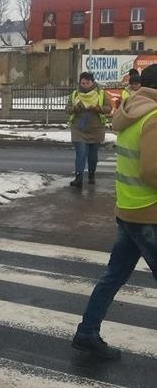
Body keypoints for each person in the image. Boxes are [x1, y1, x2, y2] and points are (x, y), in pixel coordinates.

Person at [72, 64, 157, 360]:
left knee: (114, 276)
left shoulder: (134, 111)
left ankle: (86, 332)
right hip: (149, 214)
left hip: (130, 210)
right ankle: (86, 332)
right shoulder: (155, 117)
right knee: (113, 275)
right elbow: (151, 170)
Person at [66, 72, 111, 188]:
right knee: (80, 153)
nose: (84, 85)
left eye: (87, 83)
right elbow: (67, 109)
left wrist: (98, 108)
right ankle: (78, 178)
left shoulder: (101, 93)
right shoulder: (75, 94)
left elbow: (109, 108)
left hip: (96, 129)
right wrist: (75, 108)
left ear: (92, 82)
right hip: (78, 128)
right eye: (82, 83)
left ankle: (91, 175)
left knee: (92, 155)